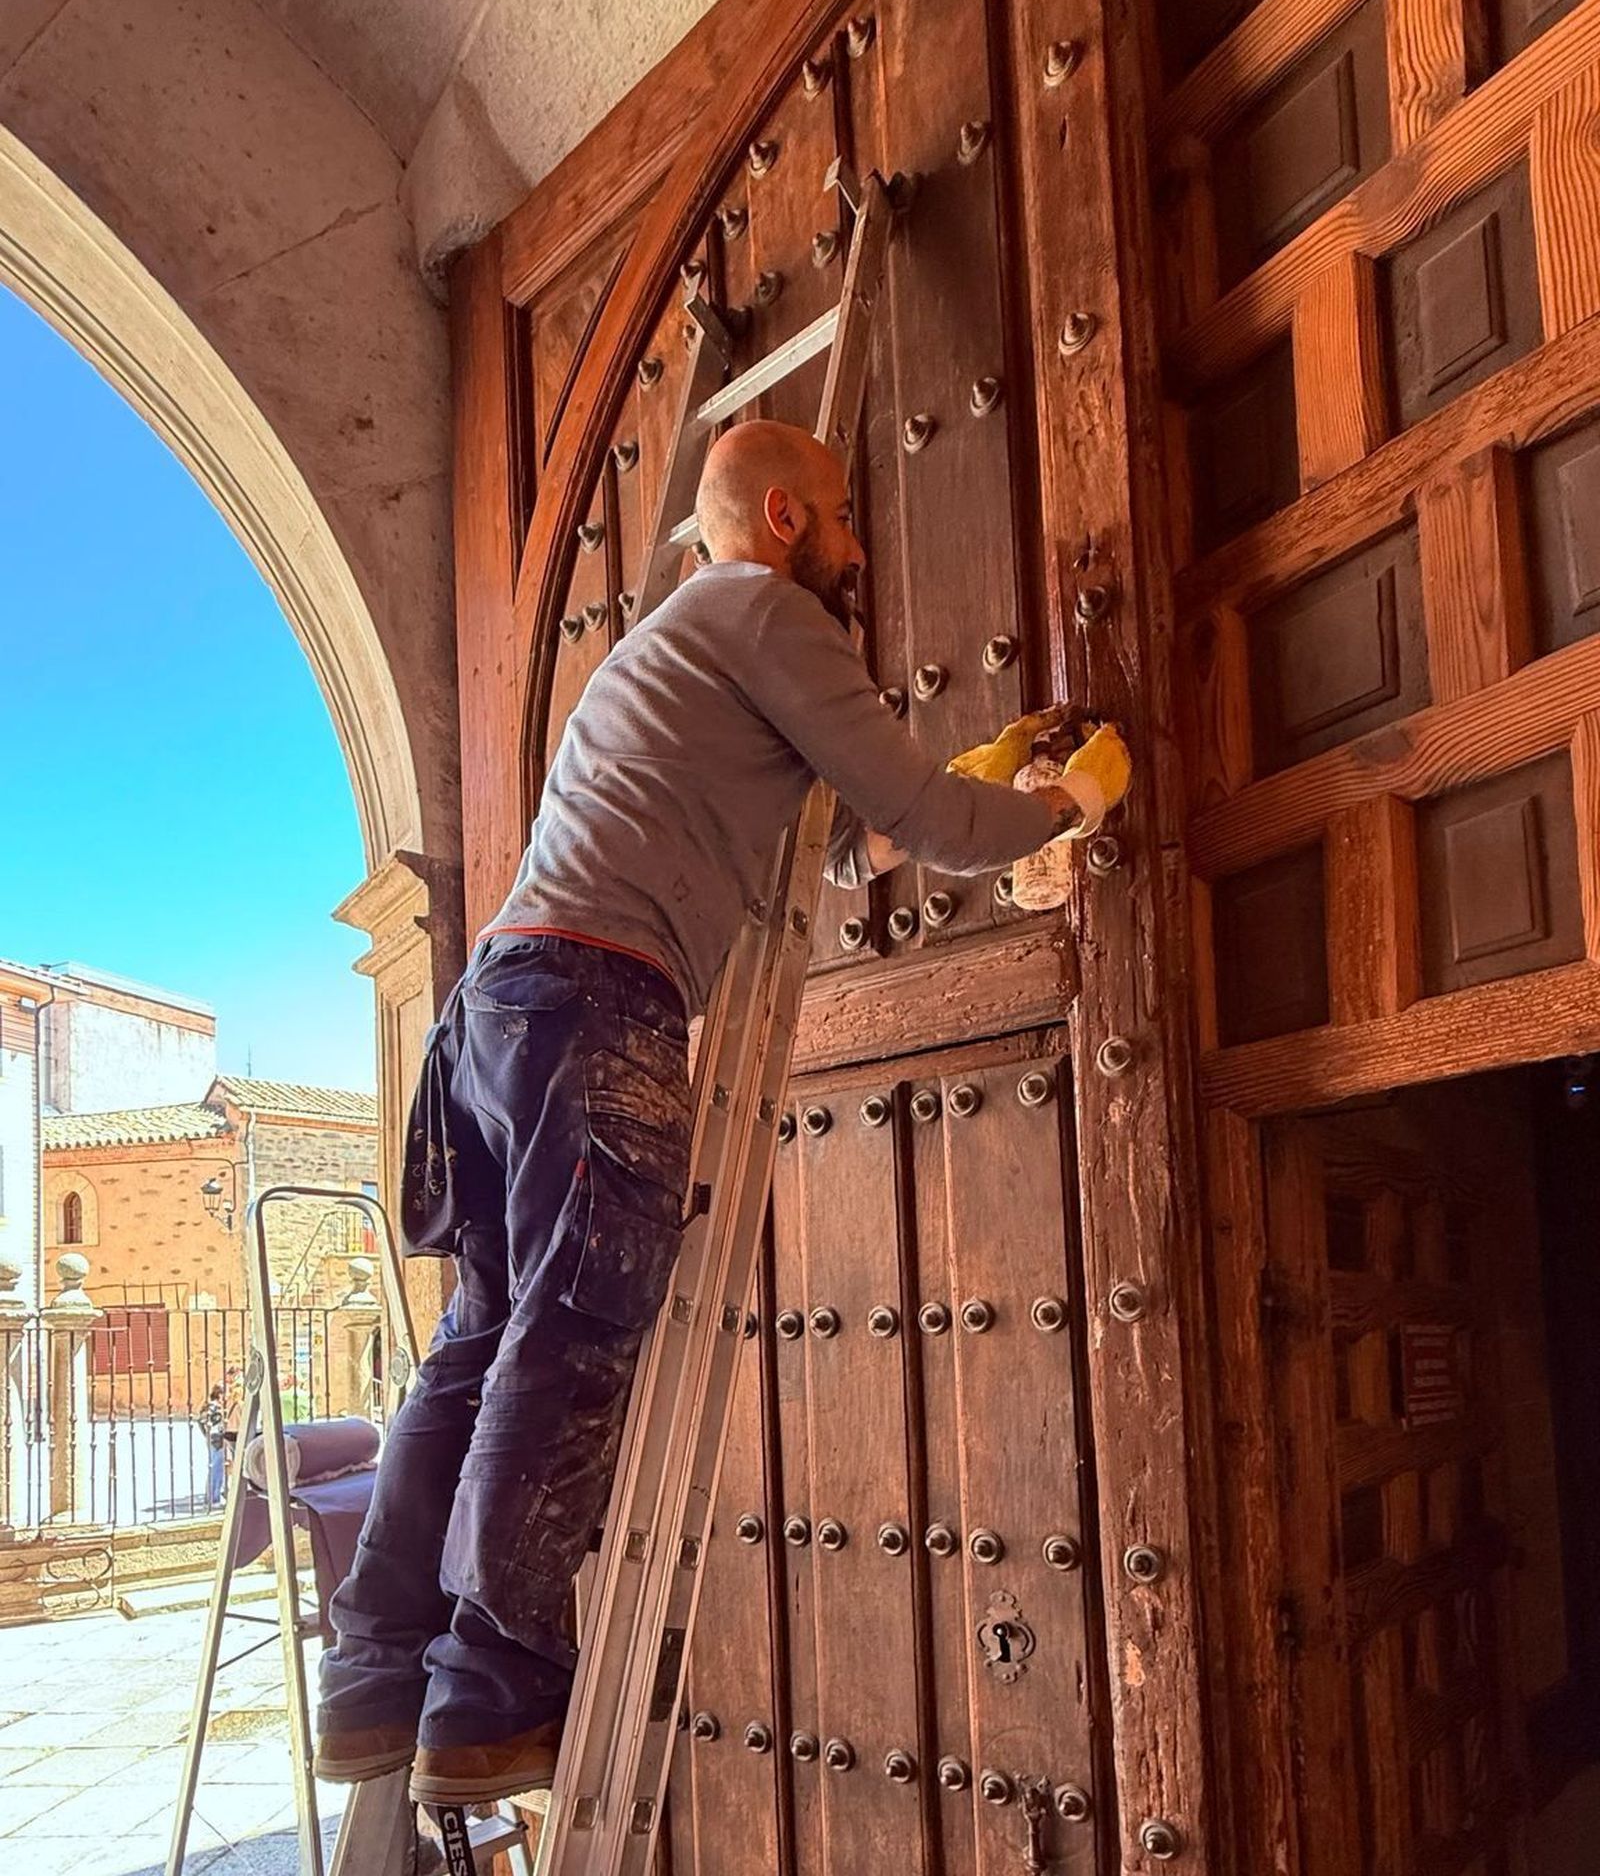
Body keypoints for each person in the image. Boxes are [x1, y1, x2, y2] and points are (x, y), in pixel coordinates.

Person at [314, 421, 1125, 1806]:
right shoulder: (762, 604)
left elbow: (863, 844)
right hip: (598, 1001)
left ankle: (381, 1673)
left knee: (478, 1342)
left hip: (497, 1009)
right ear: (791, 517)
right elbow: (920, 826)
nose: (864, 551)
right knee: (566, 1347)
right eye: (852, 522)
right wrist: (1070, 804)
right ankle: (493, 1696)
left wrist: (984, 777)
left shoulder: (678, 643)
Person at [196, 1383, 227, 1510]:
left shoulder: (208, 1405)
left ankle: (211, 1497)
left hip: (211, 1439)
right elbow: (215, 1424)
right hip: (217, 1440)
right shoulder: (215, 1407)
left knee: (214, 1467)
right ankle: (213, 1498)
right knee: (217, 1468)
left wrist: (206, 1434)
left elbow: (200, 1422)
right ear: (220, 1394)